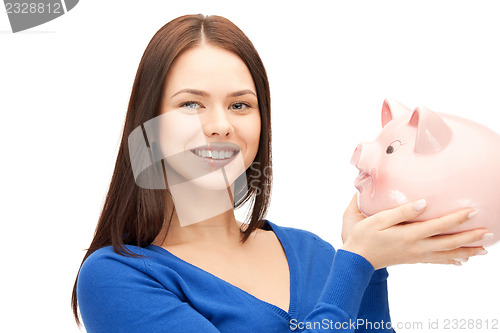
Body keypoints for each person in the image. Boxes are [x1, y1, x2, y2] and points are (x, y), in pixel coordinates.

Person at [71, 14, 490, 333]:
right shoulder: (117, 278)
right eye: (191, 104)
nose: (220, 125)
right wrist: (359, 265)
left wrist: (371, 263)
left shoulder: (319, 255)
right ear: (150, 124)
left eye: (240, 105)